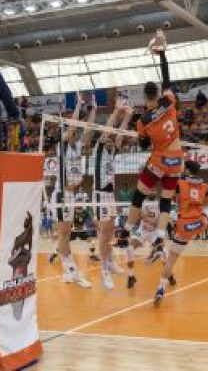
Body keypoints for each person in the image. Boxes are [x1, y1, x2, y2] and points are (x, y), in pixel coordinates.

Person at [117, 29, 185, 264]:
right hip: (177, 159)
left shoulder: (142, 120)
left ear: (145, 98)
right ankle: (158, 239)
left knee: (139, 195)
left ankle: (125, 230)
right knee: (166, 200)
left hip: (159, 159)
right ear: (158, 93)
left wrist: (137, 119)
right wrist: (161, 54)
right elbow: (167, 78)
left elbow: (145, 144)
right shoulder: (169, 101)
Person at [153, 160, 208, 306]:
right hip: (199, 224)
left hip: (184, 226)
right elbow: (207, 203)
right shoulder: (205, 186)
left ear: (186, 170)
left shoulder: (179, 183)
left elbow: (169, 197)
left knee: (171, 259)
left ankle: (160, 289)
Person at [48, 93, 97, 288]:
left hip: (70, 194)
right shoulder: (61, 147)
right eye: (69, 132)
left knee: (66, 233)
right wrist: (77, 105)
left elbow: (88, 130)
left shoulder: (77, 147)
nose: (73, 134)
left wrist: (93, 109)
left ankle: (69, 271)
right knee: (63, 234)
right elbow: (74, 126)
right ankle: (69, 270)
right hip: (61, 194)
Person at [93, 103, 132, 289]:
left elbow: (120, 136)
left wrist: (127, 117)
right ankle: (104, 272)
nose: (110, 139)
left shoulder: (111, 152)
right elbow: (109, 131)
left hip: (110, 196)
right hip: (100, 195)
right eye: (107, 137)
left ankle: (109, 261)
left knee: (110, 232)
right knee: (103, 233)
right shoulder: (99, 150)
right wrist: (117, 111)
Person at [126, 192, 160, 289]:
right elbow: (135, 216)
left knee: (162, 253)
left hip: (155, 231)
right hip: (142, 231)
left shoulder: (160, 204)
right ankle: (131, 276)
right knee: (129, 249)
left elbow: (164, 219)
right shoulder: (141, 203)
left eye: (153, 190)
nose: (152, 192)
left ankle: (170, 275)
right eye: (150, 190)